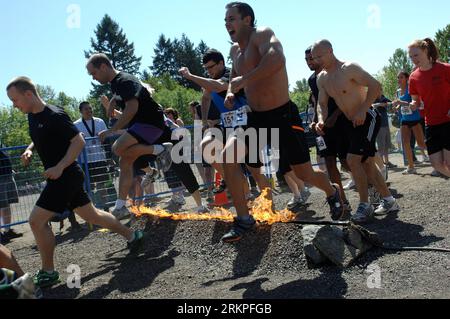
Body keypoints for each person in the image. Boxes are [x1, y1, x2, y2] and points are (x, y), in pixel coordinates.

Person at [222, 3, 344, 242]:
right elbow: (234, 77)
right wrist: (230, 91)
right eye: (225, 20)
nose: (227, 24)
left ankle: (332, 192)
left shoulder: (263, 34)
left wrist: (244, 79)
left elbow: (277, 59)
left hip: (283, 115)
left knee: (304, 173)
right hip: (255, 118)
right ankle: (244, 220)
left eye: (231, 19)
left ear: (247, 19)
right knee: (228, 156)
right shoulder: (235, 52)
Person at [6, 77, 144, 288]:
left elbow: (78, 140)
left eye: (15, 100)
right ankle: (133, 235)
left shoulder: (54, 114)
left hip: (65, 176)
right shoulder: (32, 117)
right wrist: (29, 149)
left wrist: (60, 166)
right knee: (93, 215)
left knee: (36, 221)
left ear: (28, 94)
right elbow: (39, 135)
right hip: (61, 177)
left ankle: (49, 272)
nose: (14, 105)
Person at [87, 54, 208, 215]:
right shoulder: (116, 85)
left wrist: (111, 130)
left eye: (93, 73)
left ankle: (200, 205)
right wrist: (111, 106)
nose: (93, 78)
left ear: (103, 67)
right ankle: (122, 204)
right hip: (143, 126)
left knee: (119, 148)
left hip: (152, 124)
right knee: (125, 157)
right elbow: (127, 113)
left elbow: (132, 109)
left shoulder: (125, 80)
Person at [312, 40, 399, 224]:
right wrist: (320, 120)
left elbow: (375, 86)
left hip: (368, 117)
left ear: (330, 51)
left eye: (320, 56)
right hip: (351, 122)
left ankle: (364, 205)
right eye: (315, 57)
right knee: (366, 162)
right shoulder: (323, 78)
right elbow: (322, 104)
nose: (317, 60)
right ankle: (389, 200)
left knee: (353, 160)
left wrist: (362, 109)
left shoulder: (348, 68)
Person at [179, 49, 272, 208]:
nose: (209, 71)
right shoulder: (210, 81)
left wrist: (190, 76)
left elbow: (217, 87)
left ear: (221, 63)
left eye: (211, 67)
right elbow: (206, 97)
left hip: (247, 125)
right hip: (227, 127)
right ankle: (235, 178)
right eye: (206, 69)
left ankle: (270, 207)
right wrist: (205, 121)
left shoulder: (230, 75)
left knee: (255, 170)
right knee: (206, 145)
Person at [306, 46, 352, 213]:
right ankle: (342, 201)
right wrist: (314, 121)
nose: (310, 62)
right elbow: (317, 102)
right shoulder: (312, 80)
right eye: (307, 60)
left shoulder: (335, 73)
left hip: (342, 124)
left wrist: (335, 115)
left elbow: (345, 96)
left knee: (348, 163)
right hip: (325, 128)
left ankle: (371, 190)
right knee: (330, 163)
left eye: (312, 58)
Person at [408, 38, 450, 177]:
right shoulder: (413, 77)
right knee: (436, 164)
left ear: (425, 51)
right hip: (431, 123)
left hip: (448, 120)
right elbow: (415, 100)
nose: (414, 59)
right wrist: (413, 104)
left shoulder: (444, 68)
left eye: (416, 55)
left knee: (449, 162)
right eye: (411, 57)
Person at [74, 101, 113, 210]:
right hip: (85, 161)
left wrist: (109, 157)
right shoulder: (76, 125)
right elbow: (73, 143)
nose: (89, 111)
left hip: (100, 158)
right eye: (86, 109)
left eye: (90, 108)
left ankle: (106, 208)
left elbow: (107, 140)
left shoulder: (99, 121)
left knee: (102, 184)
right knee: (88, 187)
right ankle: (93, 210)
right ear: (81, 111)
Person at [392, 71, 429, 175]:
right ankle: (411, 167)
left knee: (421, 143)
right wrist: (396, 107)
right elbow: (400, 105)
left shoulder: (411, 89)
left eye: (401, 77)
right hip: (404, 120)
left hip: (415, 119)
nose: (399, 79)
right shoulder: (398, 91)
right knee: (405, 143)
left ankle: (439, 157)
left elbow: (415, 103)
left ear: (407, 79)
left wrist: (400, 102)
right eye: (398, 77)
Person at [0, 148, 21, 242]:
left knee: (7, 204)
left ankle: (7, 231)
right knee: (1, 206)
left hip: (7, 174)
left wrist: (9, 168)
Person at [373, 93, 396, 169]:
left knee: (386, 145)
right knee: (381, 147)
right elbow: (372, 106)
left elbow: (391, 103)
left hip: (386, 125)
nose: (380, 91)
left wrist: (391, 105)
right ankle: (381, 165)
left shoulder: (383, 98)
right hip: (379, 126)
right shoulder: (372, 98)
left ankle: (386, 162)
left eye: (380, 89)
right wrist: (380, 104)